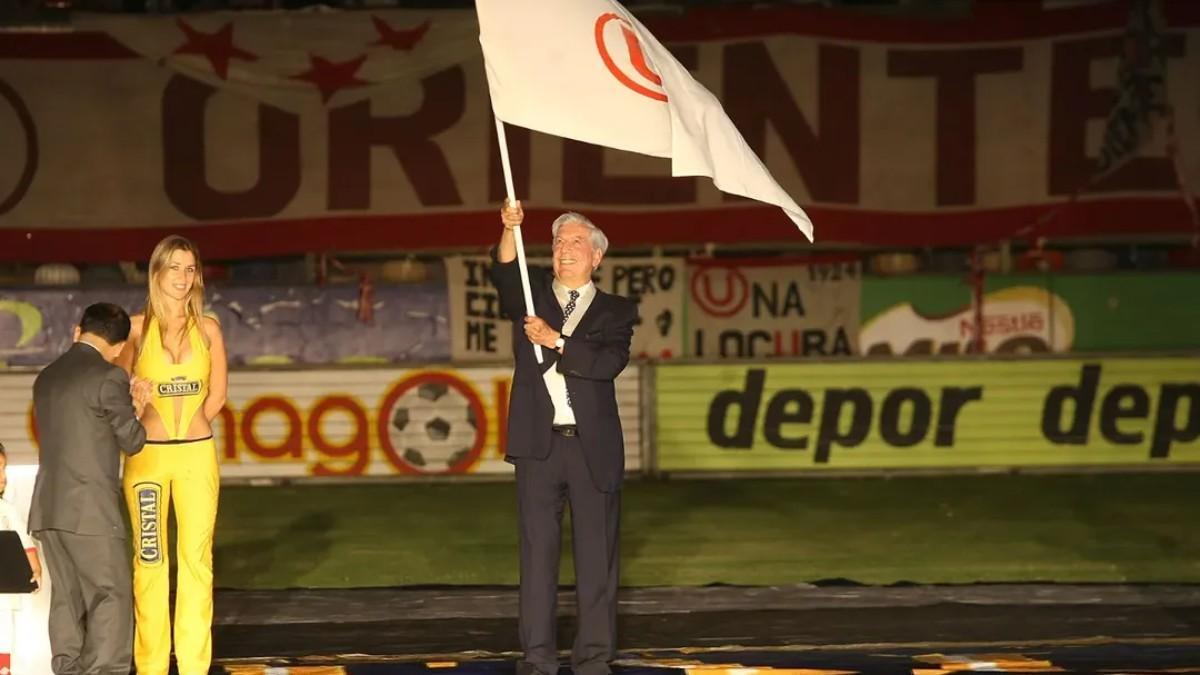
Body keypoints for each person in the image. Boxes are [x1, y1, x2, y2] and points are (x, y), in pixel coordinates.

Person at [489, 200, 638, 675]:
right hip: (539, 447)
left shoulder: (616, 310)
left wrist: (555, 340)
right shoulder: (531, 295)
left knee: (597, 561)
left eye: (575, 241)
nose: (564, 248)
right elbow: (504, 272)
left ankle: (593, 659)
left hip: (593, 450)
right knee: (537, 559)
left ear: (597, 256)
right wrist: (509, 228)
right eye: (557, 241)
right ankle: (537, 660)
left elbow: (607, 364)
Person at [116, 235, 227, 675]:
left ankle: (195, 666)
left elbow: (217, 396)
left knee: (198, 562)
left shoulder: (210, 329)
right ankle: (152, 666)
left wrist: (193, 429)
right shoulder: (135, 329)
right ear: (156, 272)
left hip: (197, 456)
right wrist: (134, 399)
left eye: (190, 269)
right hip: (148, 458)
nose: (183, 277)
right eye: (174, 268)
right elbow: (115, 395)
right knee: (149, 562)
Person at [29, 303, 150, 675]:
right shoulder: (110, 377)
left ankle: (66, 668)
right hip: (90, 509)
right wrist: (139, 406)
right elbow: (132, 440)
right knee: (110, 594)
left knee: (66, 598)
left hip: (48, 508)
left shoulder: (46, 376)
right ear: (119, 346)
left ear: (78, 331)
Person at [0, 442, 43, 675]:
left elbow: (24, 540)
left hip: (3, 587)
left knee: (4, 629)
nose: (3, 477)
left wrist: (35, 568)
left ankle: (3, 668)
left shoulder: (6, 510)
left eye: (3, 469)